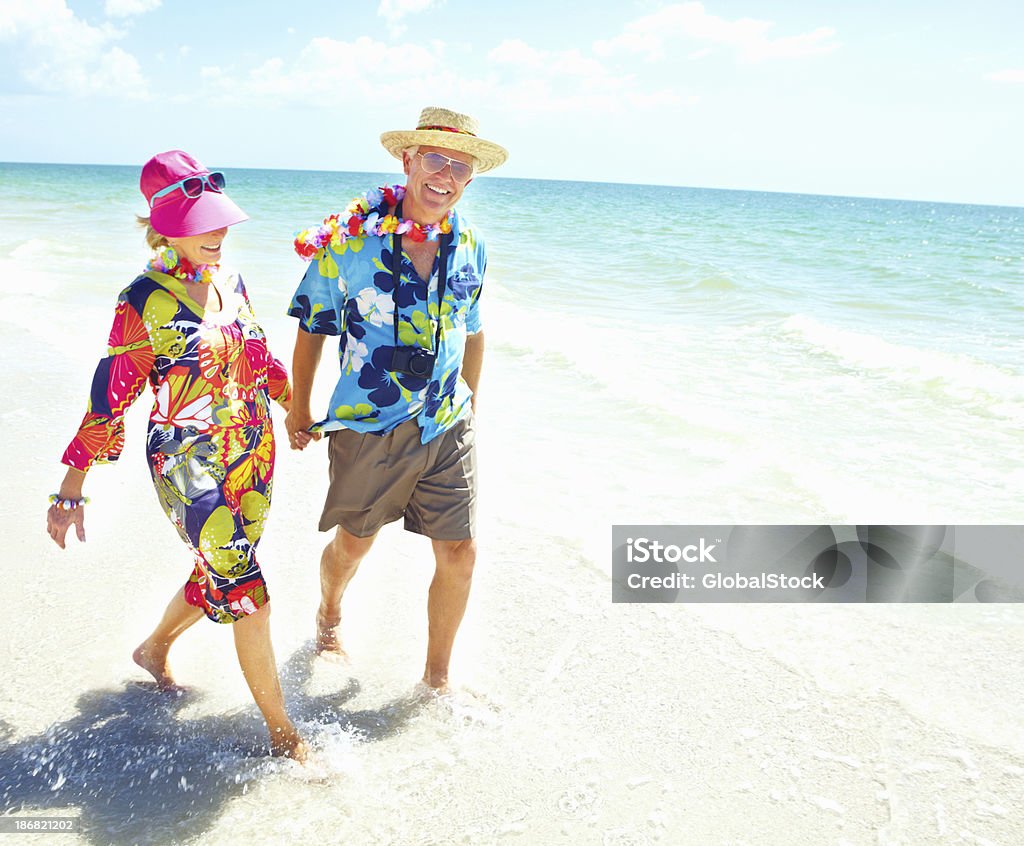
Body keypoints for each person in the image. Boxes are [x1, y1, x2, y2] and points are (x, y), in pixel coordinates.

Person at [47, 150, 307, 761]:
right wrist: (69, 489)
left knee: (219, 568)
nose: (215, 234)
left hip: (252, 449)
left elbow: (261, 358)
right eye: (199, 225)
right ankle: (284, 736)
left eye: (218, 222)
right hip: (186, 461)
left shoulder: (233, 283)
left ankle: (154, 648)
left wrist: (297, 413)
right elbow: (108, 400)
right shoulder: (142, 298)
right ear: (164, 229)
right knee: (247, 586)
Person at [285, 106, 508, 691]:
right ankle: (329, 614)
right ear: (408, 161)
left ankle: (436, 681)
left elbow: (475, 329)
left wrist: (472, 405)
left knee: (460, 552)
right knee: (354, 546)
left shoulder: (472, 247)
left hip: (446, 421)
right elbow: (312, 327)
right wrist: (298, 409)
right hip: (370, 421)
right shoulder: (347, 243)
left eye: (461, 166)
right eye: (435, 158)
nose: (446, 175)